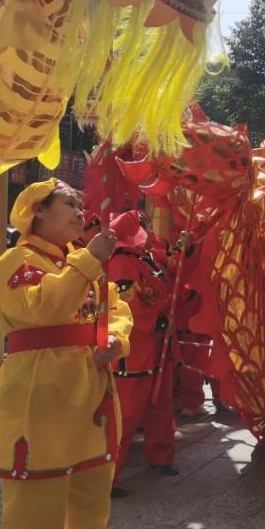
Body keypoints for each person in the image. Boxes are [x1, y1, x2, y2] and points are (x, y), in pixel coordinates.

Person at [0, 179, 132, 529]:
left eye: (80, 204)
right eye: (69, 203)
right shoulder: (17, 261)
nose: (79, 210)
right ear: (37, 212)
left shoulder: (79, 262)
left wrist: (116, 342)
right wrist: (89, 261)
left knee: (89, 509)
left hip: (90, 400)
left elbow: (117, 311)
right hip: (40, 403)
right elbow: (43, 309)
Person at [105, 210, 179, 498]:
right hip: (136, 351)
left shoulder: (146, 258)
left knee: (161, 406)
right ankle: (108, 477)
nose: (149, 232)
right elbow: (126, 305)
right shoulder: (122, 262)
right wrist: (159, 321)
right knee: (127, 414)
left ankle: (161, 457)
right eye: (143, 227)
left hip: (158, 345)